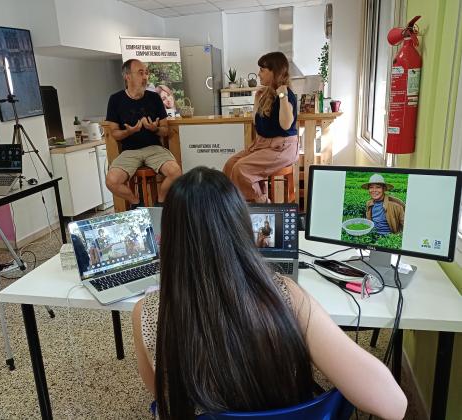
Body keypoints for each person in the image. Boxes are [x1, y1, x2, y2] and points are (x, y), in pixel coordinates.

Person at [132, 167, 407, 420]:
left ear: (168, 235)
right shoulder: (284, 294)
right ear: (241, 226)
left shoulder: (146, 311)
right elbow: (394, 405)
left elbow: (160, 394)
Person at [223, 52, 299, 203]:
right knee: (230, 165)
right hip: (264, 145)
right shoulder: (266, 94)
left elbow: (286, 124)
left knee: (241, 169)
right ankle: (234, 203)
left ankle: (262, 205)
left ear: (274, 72)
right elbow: (258, 124)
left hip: (282, 148)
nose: (259, 74)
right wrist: (257, 100)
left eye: (262, 70)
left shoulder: (286, 94)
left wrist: (282, 96)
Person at [105, 59, 181, 205]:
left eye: (146, 73)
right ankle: (137, 204)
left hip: (154, 148)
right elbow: (114, 133)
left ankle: (160, 203)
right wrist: (129, 132)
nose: (145, 77)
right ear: (127, 76)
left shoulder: (154, 98)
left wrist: (155, 129)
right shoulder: (115, 100)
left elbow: (165, 131)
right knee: (111, 181)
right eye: (140, 73)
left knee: (176, 172)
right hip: (129, 151)